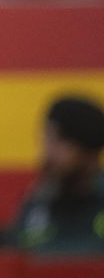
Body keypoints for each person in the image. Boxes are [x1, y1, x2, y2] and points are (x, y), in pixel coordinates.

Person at [10, 93, 104, 254]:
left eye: (58, 141)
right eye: (46, 141)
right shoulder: (37, 205)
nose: (47, 153)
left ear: (88, 149)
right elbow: (14, 263)